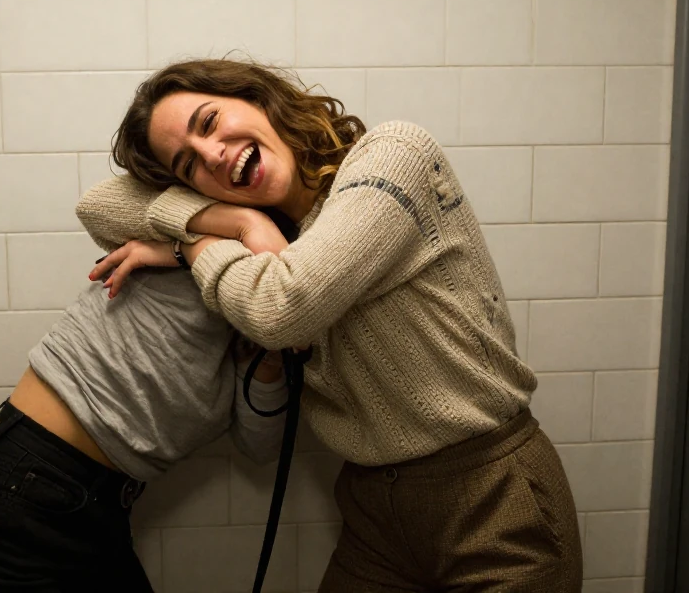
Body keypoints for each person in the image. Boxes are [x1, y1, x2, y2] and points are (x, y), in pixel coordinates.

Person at [78, 58, 583, 591]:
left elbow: (282, 309)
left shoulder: (394, 157)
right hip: (374, 512)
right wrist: (236, 220)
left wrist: (190, 243)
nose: (213, 154)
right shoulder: (274, 236)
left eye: (209, 122)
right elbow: (98, 207)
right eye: (188, 167)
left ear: (257, 97)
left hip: (493, 497)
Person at [0, 267, 287, 592]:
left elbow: (260, 445)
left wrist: (270, 358)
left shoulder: (254, 316)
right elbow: (102, 207)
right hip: (13, 507)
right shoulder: (182, 232)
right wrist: (203, 239)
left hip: (94, 512)